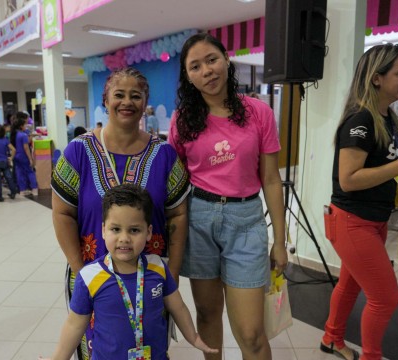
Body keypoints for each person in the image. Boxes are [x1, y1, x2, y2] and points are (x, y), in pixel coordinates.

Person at [51, 67, 190, 359]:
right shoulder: (78, 152)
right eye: (119, 95)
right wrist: (82, 273)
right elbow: (62, 214)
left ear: (145, 102)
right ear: (106, 99)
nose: (127, 102)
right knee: (97, 346)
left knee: (148, 344)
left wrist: (170, 275)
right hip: (93, 275)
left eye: (135, 96)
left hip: (148, 279)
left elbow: (177, 215)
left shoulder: (164, 154)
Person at [168, 33, 288, 360]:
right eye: (195, 66)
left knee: (251, 333)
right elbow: (175, 186)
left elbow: (271, 179)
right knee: (207, 315)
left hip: (246, 221)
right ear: (188, 76)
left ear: (226, 60)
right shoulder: (182, 120)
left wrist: (280, 240)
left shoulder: (258, 112)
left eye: (211, 59)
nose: (206, 70)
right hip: (198, 220)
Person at [321, 44, 398, 360]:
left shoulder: (388, 118)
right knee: (385, 298)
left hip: (375, 220)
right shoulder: (360, 120)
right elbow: (350, 179)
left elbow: (384, 168)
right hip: (353, 222)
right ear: (377, 78)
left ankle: (331, 339)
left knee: (351, 285)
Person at [42, 184, 217, 360]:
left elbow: (178, 307)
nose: (124, 238)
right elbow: (75, 324)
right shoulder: (89, 277)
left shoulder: (158, 267)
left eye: (134, 230)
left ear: (148, 232)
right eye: (115, 229)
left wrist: (193, 337)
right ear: (103, 230)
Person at [10, 112, 38, 196]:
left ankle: (22, 190)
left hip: (17, 157)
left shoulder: (14, 135)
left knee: (20, 173)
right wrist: (30, 159)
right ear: (21, 126)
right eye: (25, 125)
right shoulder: (23, 135)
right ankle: (34, 189)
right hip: (24, 156)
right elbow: (26, 148)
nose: (26, 126)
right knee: (30, 172)